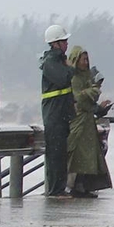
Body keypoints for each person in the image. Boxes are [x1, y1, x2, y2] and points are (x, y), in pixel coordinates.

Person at [63, 45, 114, 198]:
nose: (86, 63)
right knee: (75, 156)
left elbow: (86, 101)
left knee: (88, 158)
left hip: (87, 125)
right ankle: (71, 186)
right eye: (83, 59)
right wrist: (94, 93)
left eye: (87, 59)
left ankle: (83, 186)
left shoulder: (86, 77)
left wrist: (98, 107)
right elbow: (80, 100)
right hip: (77, 123)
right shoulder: (73, 78)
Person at [40, 24, 74, 198]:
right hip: (54, 115)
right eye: (64, 41)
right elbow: (64, 79)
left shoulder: (58, 60)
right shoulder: (51, 62)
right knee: (55, 155)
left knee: (60, 154)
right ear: (55, 43)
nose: (66, 44)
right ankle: (55, 190)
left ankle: (59, 188)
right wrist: (71, 67)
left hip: (61, 114)